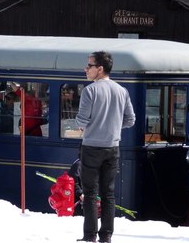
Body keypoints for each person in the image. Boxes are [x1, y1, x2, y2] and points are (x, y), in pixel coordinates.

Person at [75, 51, 135, 243]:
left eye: (89, 66)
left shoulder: (90, 91)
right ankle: (106, 236)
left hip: (92, 147)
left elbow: (81, 120)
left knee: (91, 193)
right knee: (108, 194)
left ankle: (90, 236)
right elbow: (130, 120)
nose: (86, 69)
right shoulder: (122, 90)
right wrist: (113, 126)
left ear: (99, 69)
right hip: (113, 147)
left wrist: (84, 124)